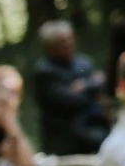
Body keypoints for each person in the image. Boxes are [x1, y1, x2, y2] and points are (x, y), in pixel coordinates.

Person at [28, 16, 110, 156]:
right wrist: (91, 87)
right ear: (49, 47)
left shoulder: (83, 63)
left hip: (95, 131)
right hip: (65, 141)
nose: (68, 46)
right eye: (61, 43)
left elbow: (104, 84)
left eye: (69, 40)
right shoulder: (44, 72)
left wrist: (84, 86)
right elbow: (70, 101)